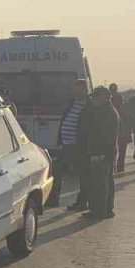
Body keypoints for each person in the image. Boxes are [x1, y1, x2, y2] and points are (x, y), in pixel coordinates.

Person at [78, 86, 120, 218]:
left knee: (99, 183)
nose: (94, 99)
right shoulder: (104, 111)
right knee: (104, 181)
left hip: (101, 152)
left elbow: (104, 136)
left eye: (96, 97)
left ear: (104, 98)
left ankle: (99, 211)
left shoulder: (106, 113)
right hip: (103, 152)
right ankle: (105, 209)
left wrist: (99, 153)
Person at [52, 77, 89, 210]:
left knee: (82, 174)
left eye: (79, 91)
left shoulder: (88, 105)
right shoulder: (72, 103)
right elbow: (65, 120)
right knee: (57, 170)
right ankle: (53, 200)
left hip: (78, 145)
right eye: (75, 91)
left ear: (85, 90)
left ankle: (82, 202)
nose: (77, 93)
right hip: (66, 144)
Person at [109, 84, 129, 174]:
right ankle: (120, 166)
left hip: (116, 130)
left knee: (113, 149)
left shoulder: (110, 105)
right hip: (123, 129)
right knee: (122, 149)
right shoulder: (123, 105)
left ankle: (114, 167)